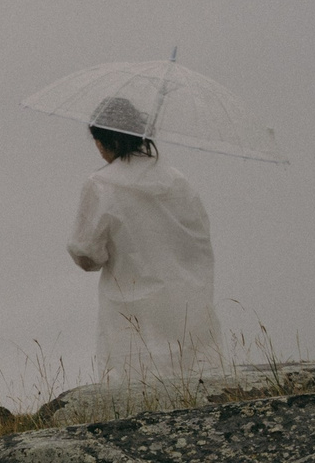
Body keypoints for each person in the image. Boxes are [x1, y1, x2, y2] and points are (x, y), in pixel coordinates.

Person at [65, 97, 224, 383]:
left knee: (136, 385)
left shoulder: (100, 184)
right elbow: (200, 236)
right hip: (187, 302)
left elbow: (86, 253)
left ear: (106, 141)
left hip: (130, 305)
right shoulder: (179, 182)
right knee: (195, 383)